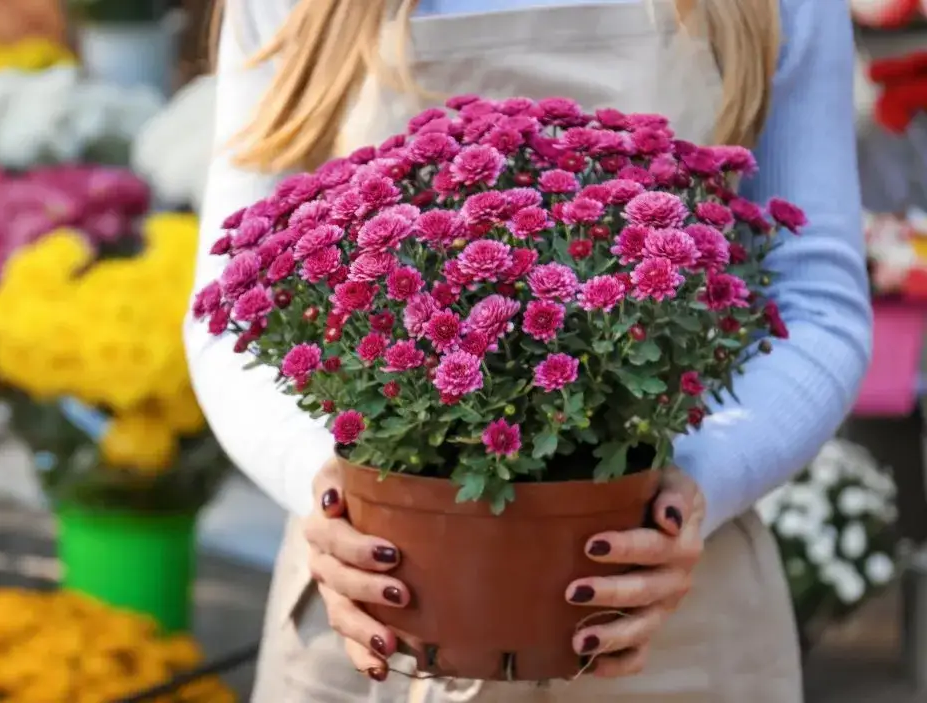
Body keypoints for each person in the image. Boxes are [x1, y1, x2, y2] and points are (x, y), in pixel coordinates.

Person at [184, 0, 872, 701]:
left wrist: (695, 486)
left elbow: (816, 301)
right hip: (370, 612)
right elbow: (222, 308)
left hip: (673, 611)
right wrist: (330, 487)